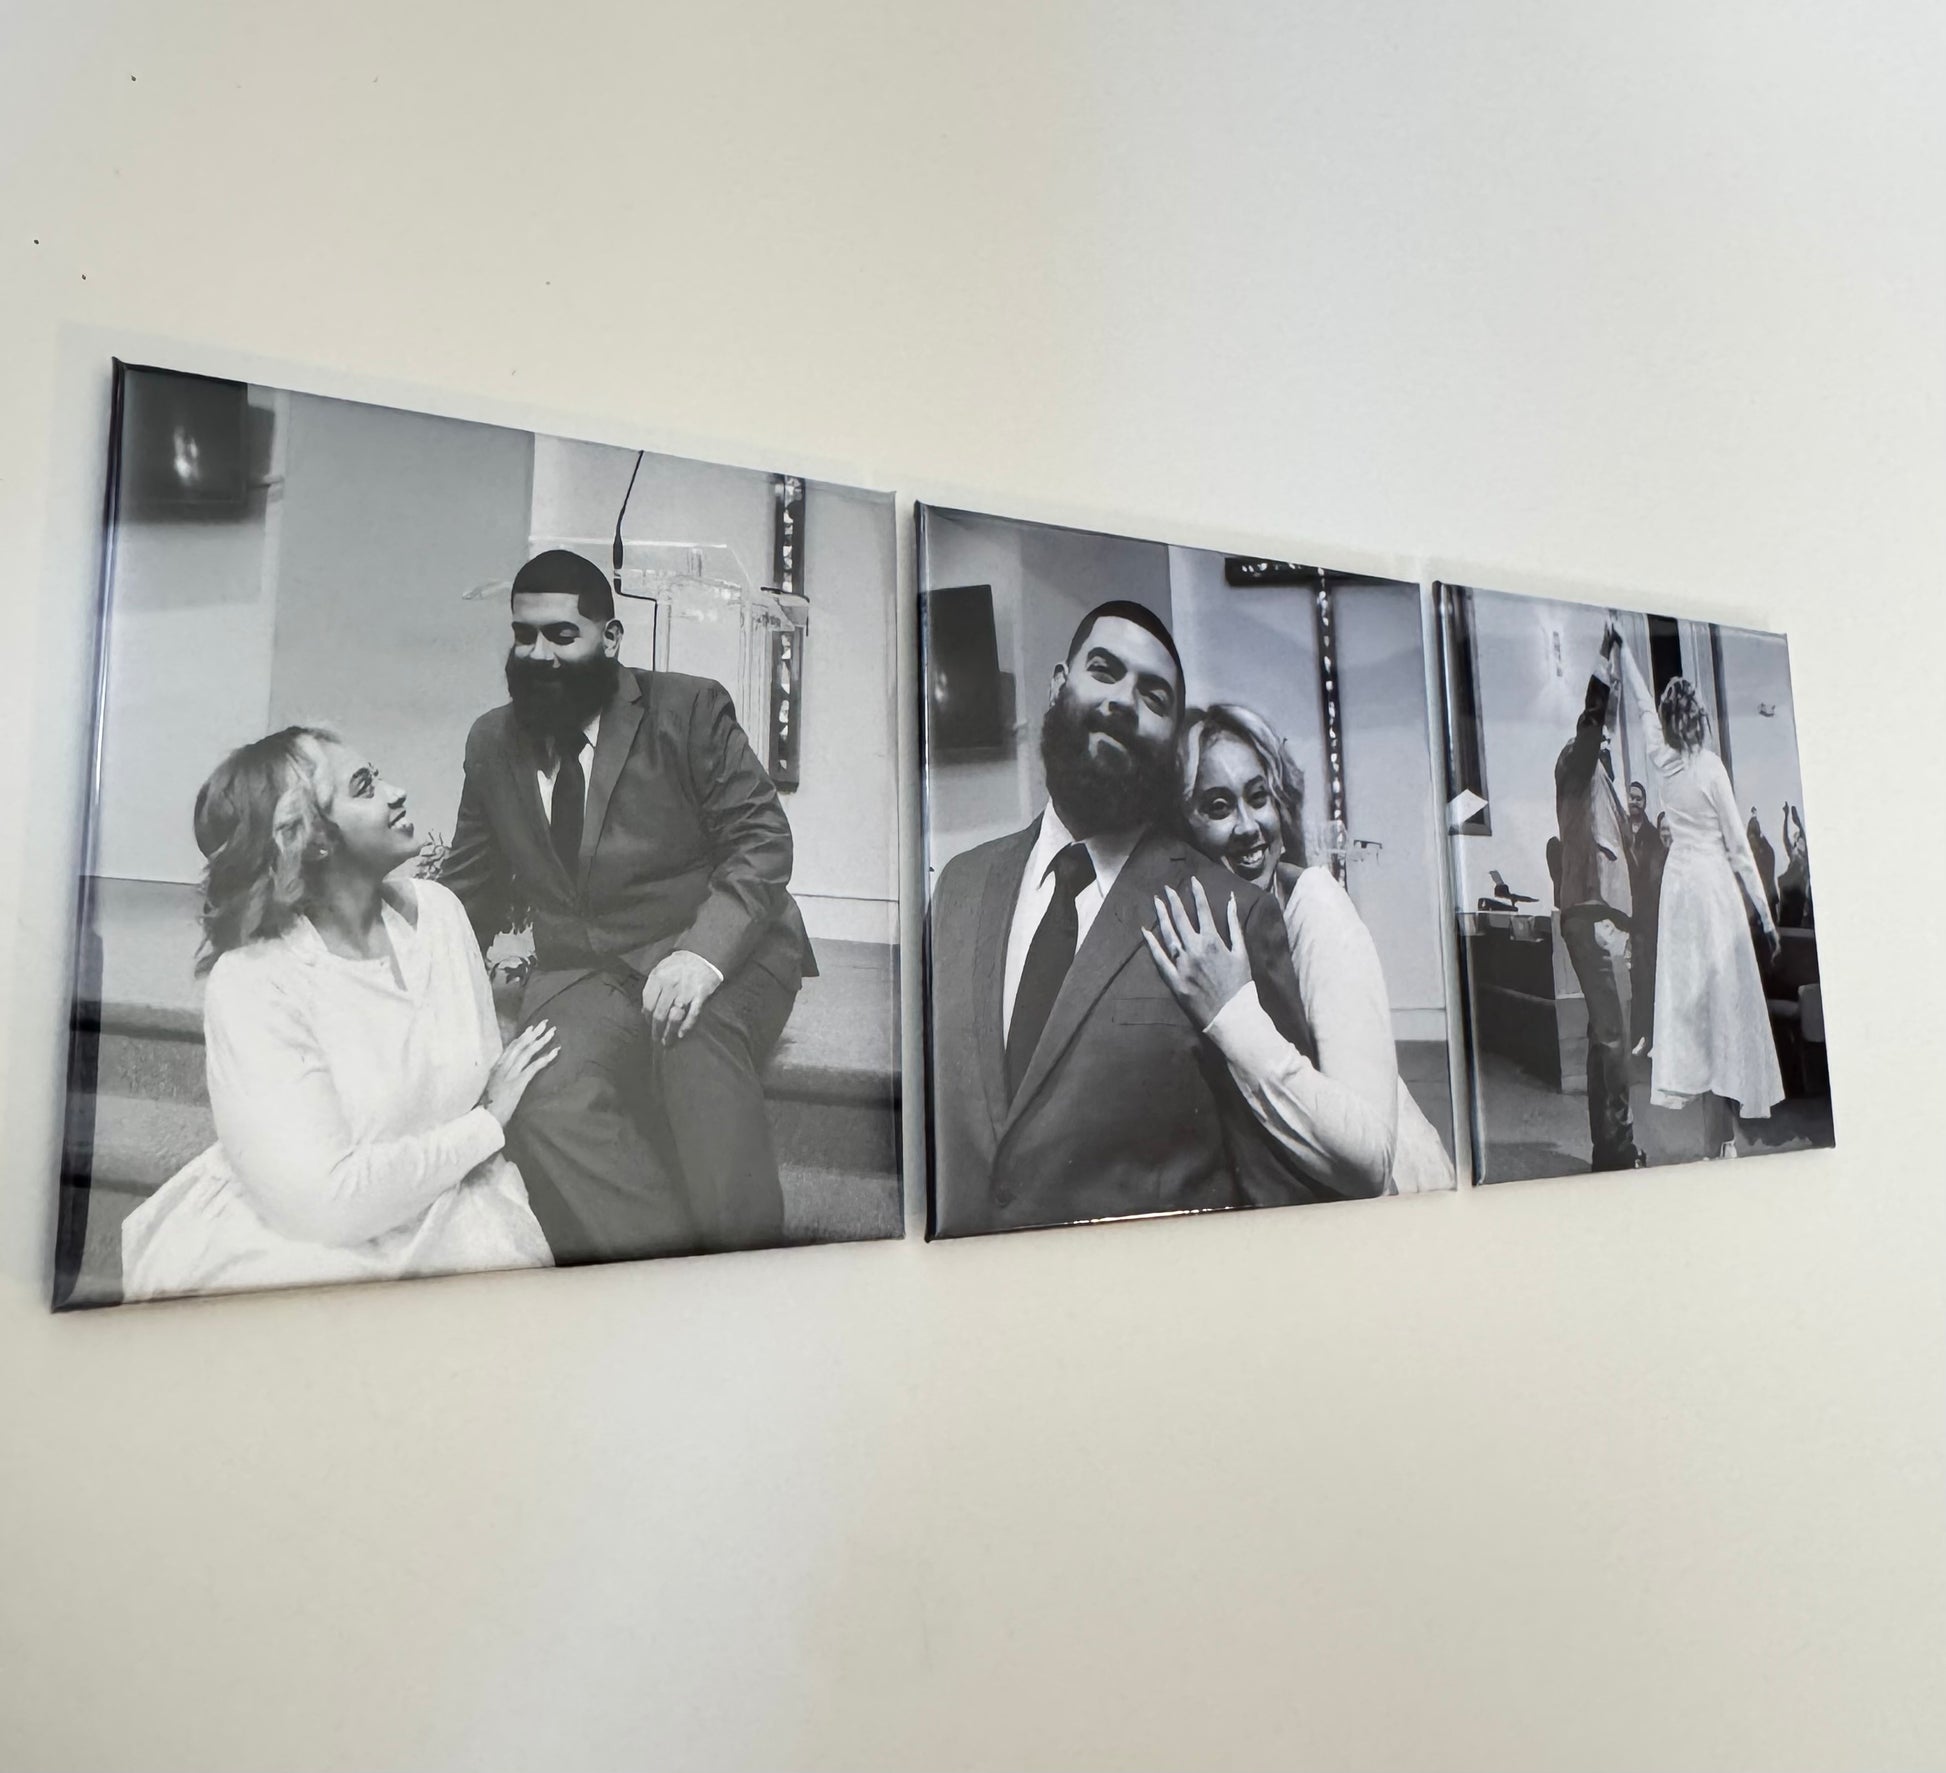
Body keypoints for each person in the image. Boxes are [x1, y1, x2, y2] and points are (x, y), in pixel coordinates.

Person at [926, 601, 1360, 1237]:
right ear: (1058, 686)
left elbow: (1287, 1199)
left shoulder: (1234, 915)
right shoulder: (958, 888)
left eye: (1154, 697)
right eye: (1104, 671)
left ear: (1171, 742)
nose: (1124, 701)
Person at [439, 548, 815, 1263]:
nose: (540, 654)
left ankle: (748, 1270)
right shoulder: (491, 740)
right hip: (587, 971)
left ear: (610, 638)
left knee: (690, 1036)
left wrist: (701, 955)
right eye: (524, 635)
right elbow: (469, 885)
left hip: (721, 947)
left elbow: (761, 840)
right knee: (540, 1093)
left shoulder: (689, 709)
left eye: (562, 635)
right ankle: (664, 1268)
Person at [121, 728, 557, 1301]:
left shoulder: (441, 915)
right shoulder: (255, 981)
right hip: (302, 1248)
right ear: (313, 840)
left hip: (459, 1210)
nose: (397, 792)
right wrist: (484, 1125)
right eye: (365, 786)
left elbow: (471, 1086)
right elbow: (325, 1206)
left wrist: (482, 1122)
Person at [1141, 704, 1455, 1197]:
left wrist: (1232, 1015)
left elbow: (1371, 1159)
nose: (1249, 826)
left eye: (1258, 797)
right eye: (1219, 807)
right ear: (1181, 828)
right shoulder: (1202, 932)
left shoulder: (1315, 904)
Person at [1613, 630, 1784, 1156]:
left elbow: (1642, 704)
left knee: (1695, 1012)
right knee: (1723, 1008)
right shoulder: (1709, 768)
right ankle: (1722, 1139)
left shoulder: (1661, 760)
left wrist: (1624, 649)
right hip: (1710, 890)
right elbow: (1739, 848)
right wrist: (1766, 916)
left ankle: (1718, 1138)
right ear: (1699, 720)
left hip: (1680, 892)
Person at [1554, 670, 1643, 1170]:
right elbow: (1589, 732)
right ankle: (1619, 1150)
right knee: (1613, 1041)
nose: (1607, 730)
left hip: (1604, 916)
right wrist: (1604, 673)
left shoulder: (1598, 771)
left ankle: (1608, 1149)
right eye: (1603, 722)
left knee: (1604, 1038)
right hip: (1592, 912)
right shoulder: (1576, 758)